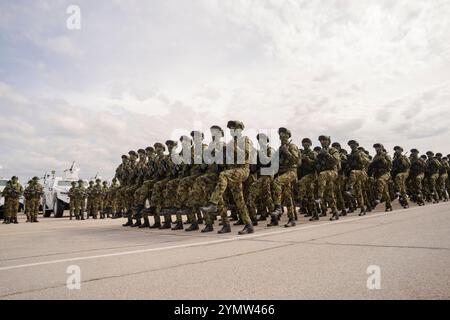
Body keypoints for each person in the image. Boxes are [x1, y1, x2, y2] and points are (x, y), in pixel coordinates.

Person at [201, 120, 255, 235]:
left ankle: (213, 203)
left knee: (223, 175)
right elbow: (224, 163)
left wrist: (232, 147)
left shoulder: (245, 140)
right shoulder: (230, 143)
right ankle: (248, 225)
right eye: (230, 129)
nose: (231, 131)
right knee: (239, 201)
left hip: (242, 170)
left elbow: (245, 155)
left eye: (234, 129)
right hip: (232, 172)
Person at [268, 127, 300, 228]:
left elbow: (296, 161)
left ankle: (278, 208)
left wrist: (286, 152)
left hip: (291, 171)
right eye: (280, 135)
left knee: (277, 182)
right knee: (287, 196)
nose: (282, 136)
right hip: (282, 172)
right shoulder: (280, 148)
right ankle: (291, 219)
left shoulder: (292, 146)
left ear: (288, 136)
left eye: (284, 134)